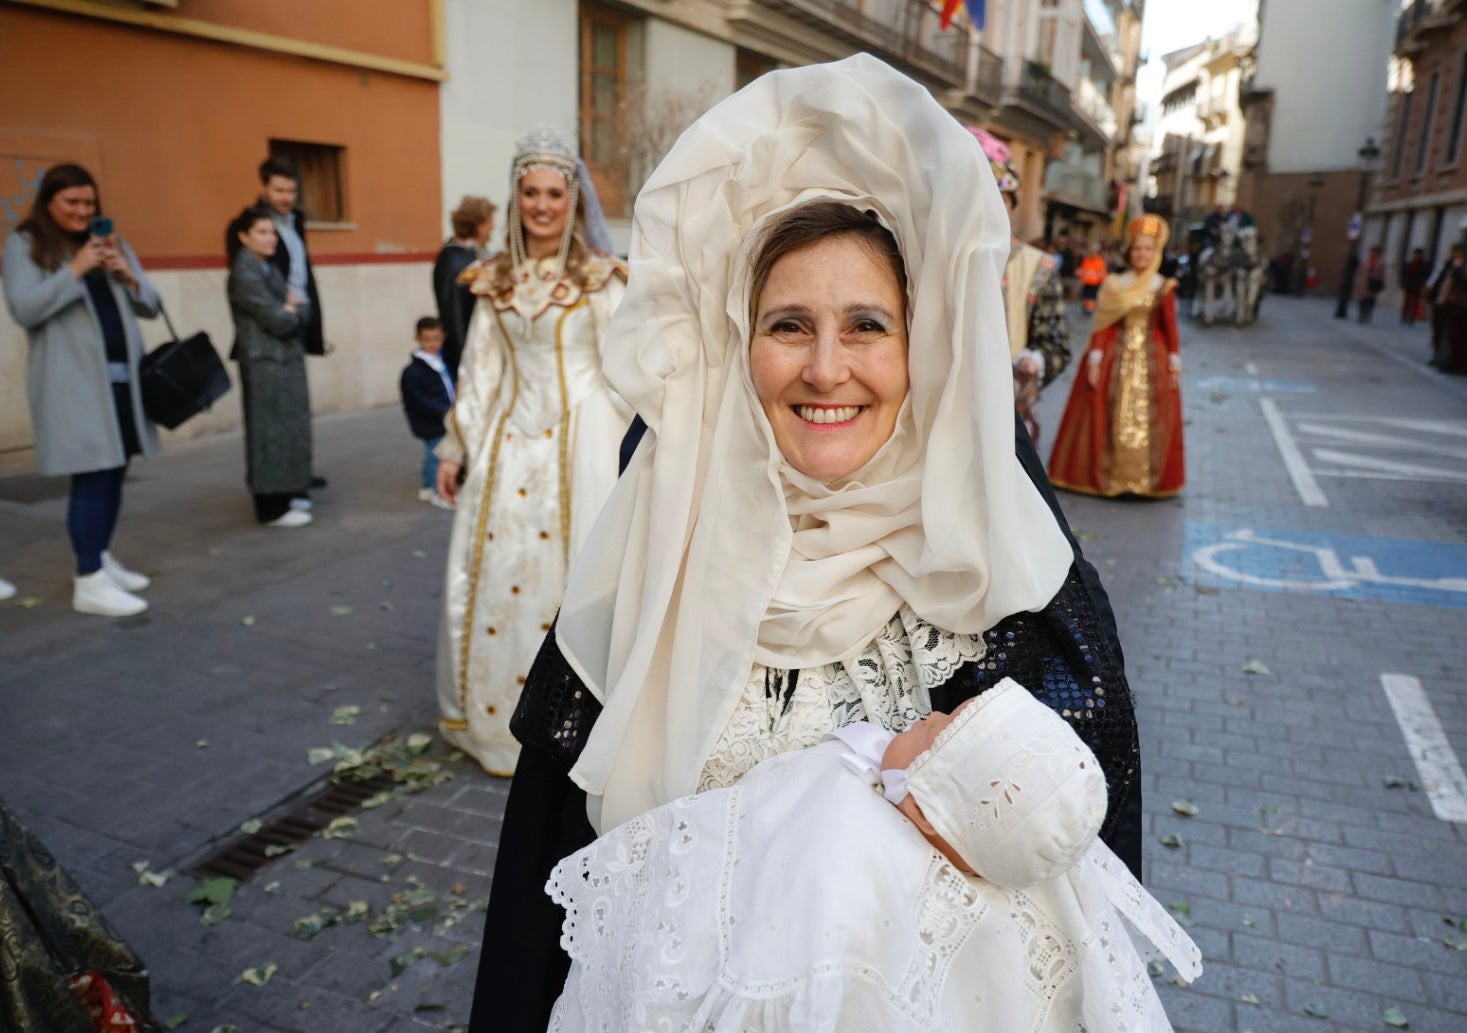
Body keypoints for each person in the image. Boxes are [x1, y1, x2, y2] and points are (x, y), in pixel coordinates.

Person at [467, 55, 1142, 1033]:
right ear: (742, 344)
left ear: (925, 344)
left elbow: (1086, 837)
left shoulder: (1000, 549)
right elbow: (545, 899)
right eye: (789, 324)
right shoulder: (661, 537)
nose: (826, 369)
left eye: (868, 325)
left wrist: (980, 762)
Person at [549, 680, 1199, 1032]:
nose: (932, 712)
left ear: (921, 809)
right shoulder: (894, 788)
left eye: (935, 731)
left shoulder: (848, 846)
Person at [432, 128, 629, 777]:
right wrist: (454, 446)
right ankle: (496, 724)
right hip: (510, 448)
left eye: (553, 192)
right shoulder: (494, 281)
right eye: (530, 192)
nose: (542, 204)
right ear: (514, 198)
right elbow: (480, 369)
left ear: (571, 199)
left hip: (584, 447)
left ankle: (576, 721)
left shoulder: (600, 279)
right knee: (500, 576)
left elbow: (627, 368)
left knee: (576, 579)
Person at [3, 163, 160, 617]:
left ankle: (102, 559)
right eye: (71, 202)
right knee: (91, 473)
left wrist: (126, 274)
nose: (81, 211)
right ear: (48, 202)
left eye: (89, 202)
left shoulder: (112, 241)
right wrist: (75, 269)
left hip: (122, 379)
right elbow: (24, 309)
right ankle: (88, 580)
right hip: (73, 383)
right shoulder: (25, 245)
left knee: (115, 469)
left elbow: (152, 304)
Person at [1048, 214, 1185, 499]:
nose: (1141, 254)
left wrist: (1173, 358)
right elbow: (1102, 323)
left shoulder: (1163, 285)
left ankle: (1144, 481)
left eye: (1147, 249)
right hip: (1115, 355)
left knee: (1152, 420)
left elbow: (1169, 325)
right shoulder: (1114, 283)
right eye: (1137, 248)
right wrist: (1096, 357)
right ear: (1128, 251)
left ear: (1156, 252)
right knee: (1103, 413)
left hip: (1152, 361)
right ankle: (1109, 477)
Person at [971, 128, 1070, 447]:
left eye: (999, 202)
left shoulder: (1037, 267)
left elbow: (1056, 344)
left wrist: (1033, 363)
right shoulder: (933, 257)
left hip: (1007, 413)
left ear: (1011, 206)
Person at [226, 204, 313, 528]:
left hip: (282, 360)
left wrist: (292, 310)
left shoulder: (267, 268)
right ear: (244, 237)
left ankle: (287, 492)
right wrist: (290, 311)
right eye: (262, 232)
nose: (270, 238)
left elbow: (301, 308)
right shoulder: (245, 274)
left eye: (272, 232)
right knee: (269, 433)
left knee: (288, 431)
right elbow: (278, 319)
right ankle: (270, 506)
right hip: (265, 363)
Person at [256, 156, 327, 492]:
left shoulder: (295, 221)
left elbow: (302, 269)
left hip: (298, 317)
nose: (285, 197)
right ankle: (280, 485)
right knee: (277, 415)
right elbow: (253, 278)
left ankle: (299, 473)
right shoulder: (254, 223)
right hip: (275, 324)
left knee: (298, 409)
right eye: (279, 189)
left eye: (291, 190)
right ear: (265, 188)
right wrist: (282, 308)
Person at [433, 195, 497, 376]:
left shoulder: (474, 254)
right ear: (477, 225)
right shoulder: (453, 260)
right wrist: (464, 359)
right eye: (489, 222)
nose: (492, 227)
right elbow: (453, 315)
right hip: (468, 352)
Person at [399, 316, 455, 509]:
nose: (433, 344)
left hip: (447, 417)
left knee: (435, 453)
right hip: (430, 421)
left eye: (437, 338)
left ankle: (427, 487)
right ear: (418, 339)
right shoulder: (412, 371)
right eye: (427, 339)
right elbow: (417, 399)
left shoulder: (444, 362)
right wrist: (441, 410)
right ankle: (438, 491)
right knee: (436, 455)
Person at [1431, 244, 1467, 373]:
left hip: (1458, 307)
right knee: (1451, 335)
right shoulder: (1452, 266)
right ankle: (1449, 361)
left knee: (1456, 337)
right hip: (1453, 306)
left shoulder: (1458, 268)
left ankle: (1455, 364)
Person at [1354, 244, 1386, 323]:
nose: (1373, 254)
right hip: (1363, 283)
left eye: (1375, 253)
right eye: (1372, 252)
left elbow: (1382, 274)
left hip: (1373, 284)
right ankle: (1361, 315)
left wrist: (1382, 283)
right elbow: (1358, 271)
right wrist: (1356, 281)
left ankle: (1367, 314)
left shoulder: (1381, 263)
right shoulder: (1364, 261)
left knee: (1370, 301)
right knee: (1362, 300)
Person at [1401, 247, 1430, 327]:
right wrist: (1403, 283)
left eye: (1418, 254)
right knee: (1407, 302)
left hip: (1417, 287)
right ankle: (1404, 317)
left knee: (1415, 304)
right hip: (1409, 285)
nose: (1416, 256)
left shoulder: (1424, 265)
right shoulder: (1410, 264)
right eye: (1415, 254)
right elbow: (1404, 274)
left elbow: (1426, 276)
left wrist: (1424, 286)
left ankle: (1411, 319)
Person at [1078, 244, 1108, 314]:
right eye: (1090, 252)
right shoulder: (1086, 260)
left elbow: (1102, 273)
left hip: (1095, 283)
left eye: (1093, 252)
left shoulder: (1100, 261)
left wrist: (1102, 281)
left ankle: (1089, 309)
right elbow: (1083, 269)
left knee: (1092, 297)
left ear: (1096, 253)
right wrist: (1080, 275)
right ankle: (1085, 307)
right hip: (1086, 282)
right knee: (1085, 296)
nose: (1091, 254)